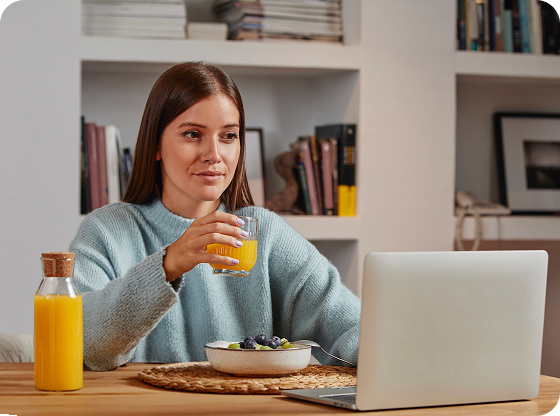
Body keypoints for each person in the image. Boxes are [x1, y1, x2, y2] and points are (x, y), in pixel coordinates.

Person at [70, 62, 361, 371]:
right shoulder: (106, 231)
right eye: (193, 134)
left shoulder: (266, 234)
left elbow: (350, 330)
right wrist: (169, 264)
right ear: (155, 144)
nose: (214, 154)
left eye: (228, 136)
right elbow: (83, 344)